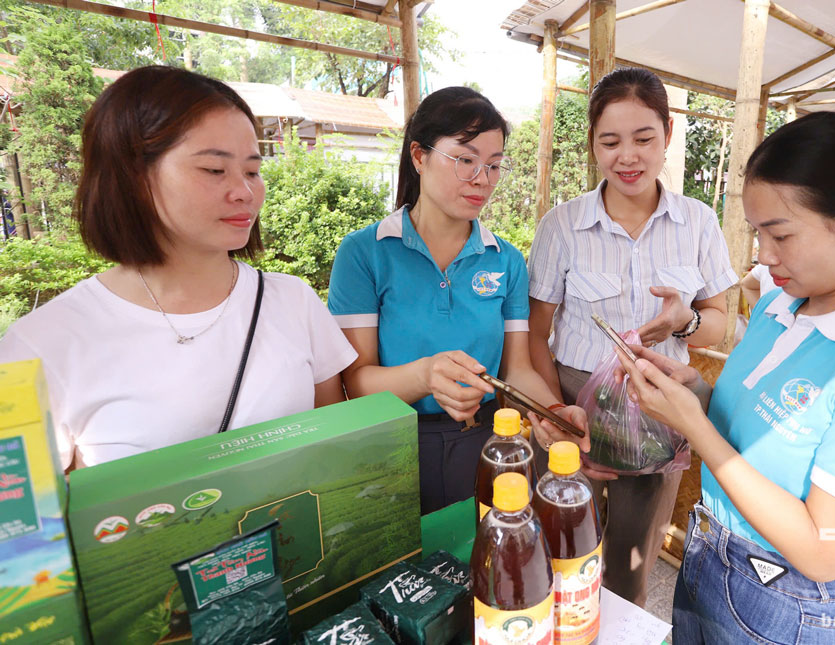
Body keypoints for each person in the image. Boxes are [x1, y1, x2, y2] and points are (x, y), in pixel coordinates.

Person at [617, 105, 835, 643]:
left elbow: (826, 552)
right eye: (758, 234)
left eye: (780, 235)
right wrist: (697, 395)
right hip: (710, 557)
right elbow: (758, 431)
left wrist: (698, 430)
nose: (763, 255)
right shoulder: (784, 305)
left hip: (784, 606)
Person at [0, 66, 358, 471]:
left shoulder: (293, 301)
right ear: (132, 176)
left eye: (253, 171)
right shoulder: (38, 346)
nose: (245, 192)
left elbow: (329, 454)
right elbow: (28, 525)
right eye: (214, 170)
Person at [526, 67, 738, 607]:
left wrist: (682, 322)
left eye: (644, 138)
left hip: (658, 414)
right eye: (611, 141)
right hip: (574, 404)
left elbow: (721, 320)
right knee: (561, 546)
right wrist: (556, 416)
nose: (629, 156)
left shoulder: (698, 222)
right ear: (593, 144)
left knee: (631, 558)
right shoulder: (561, 226)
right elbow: (536, 334)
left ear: (667, 134)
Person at [327, 86, 586, 515]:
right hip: (391, 447)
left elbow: (516, 369)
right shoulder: (366, 252)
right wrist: (426, 376)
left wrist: (554, 411)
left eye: (494, 165)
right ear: (418, 156)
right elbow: (356, 384)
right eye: (465, 160)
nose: (482, 179)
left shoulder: (504, 260)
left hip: (484, 445)